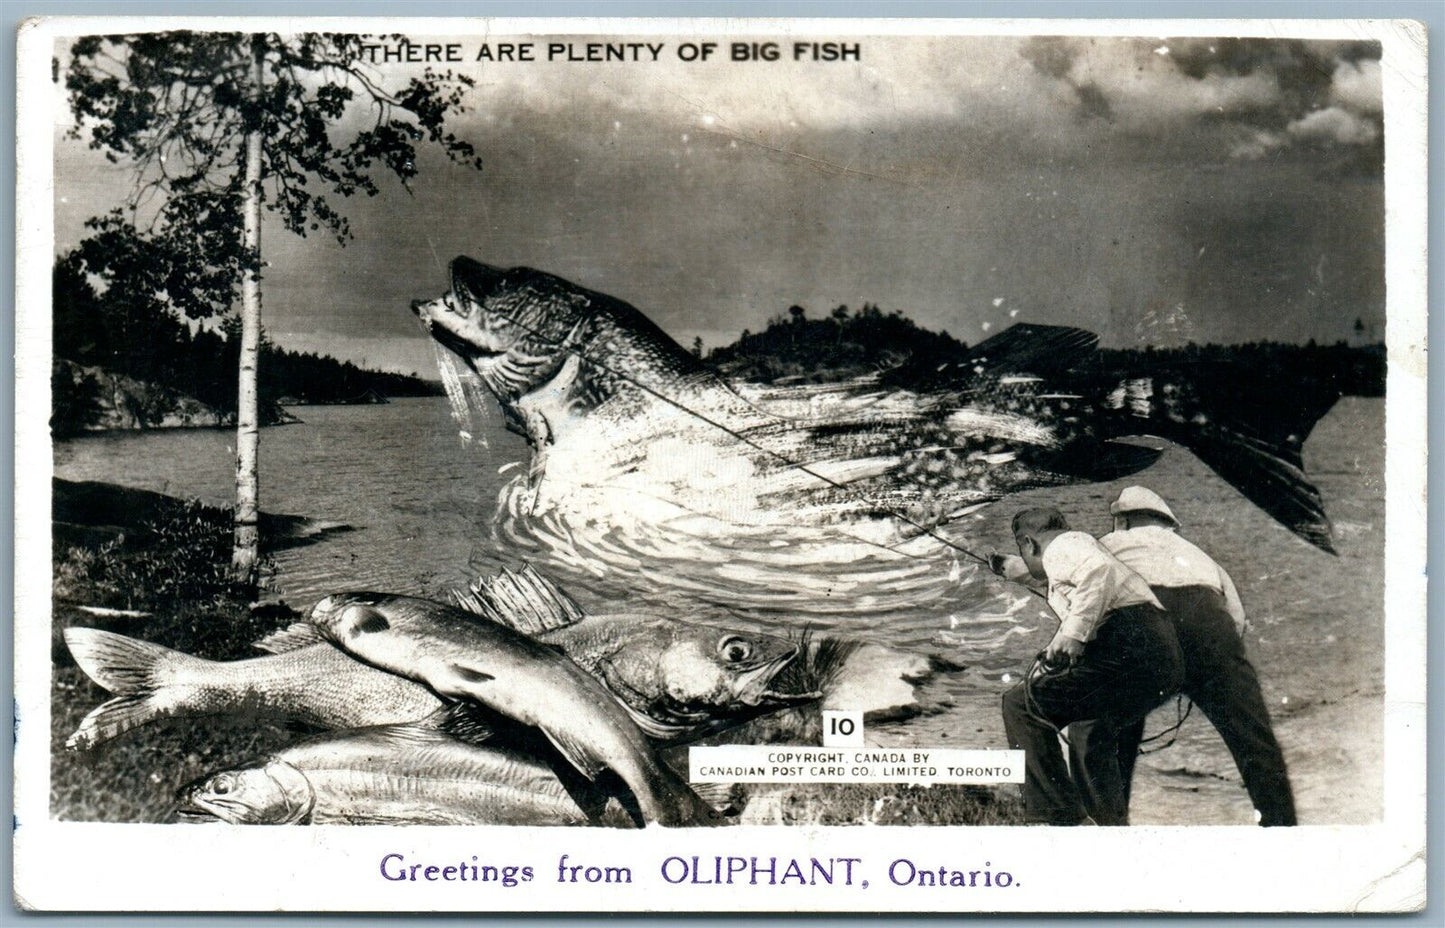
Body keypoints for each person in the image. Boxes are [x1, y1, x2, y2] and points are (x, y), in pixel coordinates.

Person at [1086, 486, 1297, 826]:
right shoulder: (1199, 556)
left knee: (1109, 732)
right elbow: (1237, 619)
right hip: (1210, 624)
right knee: (1255, 741)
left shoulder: (1106, 545)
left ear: (1122, 521)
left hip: (1144, 624)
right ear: (1168, 525)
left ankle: (1111, 831)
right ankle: (1283, 831)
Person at [999, 508, 1183, 826]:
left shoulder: (1063, 546)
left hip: (1130, 643)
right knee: (1089, 729)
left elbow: (1096, 572)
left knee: (1022, 705)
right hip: (1159, 655)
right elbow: (1067, 578)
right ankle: (1108, 828)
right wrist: (1012, 568)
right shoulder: (1071, 547)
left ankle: (1061, 817)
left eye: (1023, 550)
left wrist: (1073, 635)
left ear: (1029, 543)